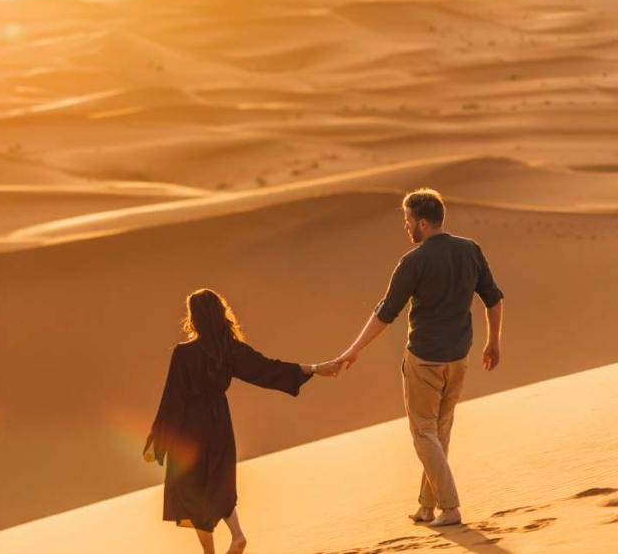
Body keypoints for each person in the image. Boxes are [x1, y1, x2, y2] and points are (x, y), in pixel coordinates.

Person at [336, 188, 504, 528]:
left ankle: (450, 507)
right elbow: (494, 299)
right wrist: (493, 343)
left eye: (408, 220)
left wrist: (353, 350)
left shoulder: (414, 262)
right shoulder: (470, 250)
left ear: (423, 222)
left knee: (424, 434)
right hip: (459, 358)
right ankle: (427, 507)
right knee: (439, 434)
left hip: (425, 360)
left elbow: (386, 312)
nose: (406, 226)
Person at [144, 289, 341, 554]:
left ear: (194, 317)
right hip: (219, 423)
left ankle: (214, 550)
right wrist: (316, 368)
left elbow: (172, 398)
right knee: (218, 481)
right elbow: (267, 369)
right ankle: (236, 535)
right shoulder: (230, 350)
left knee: (193, 490)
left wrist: (159, 439)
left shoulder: (184, 353)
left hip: (191, 426)